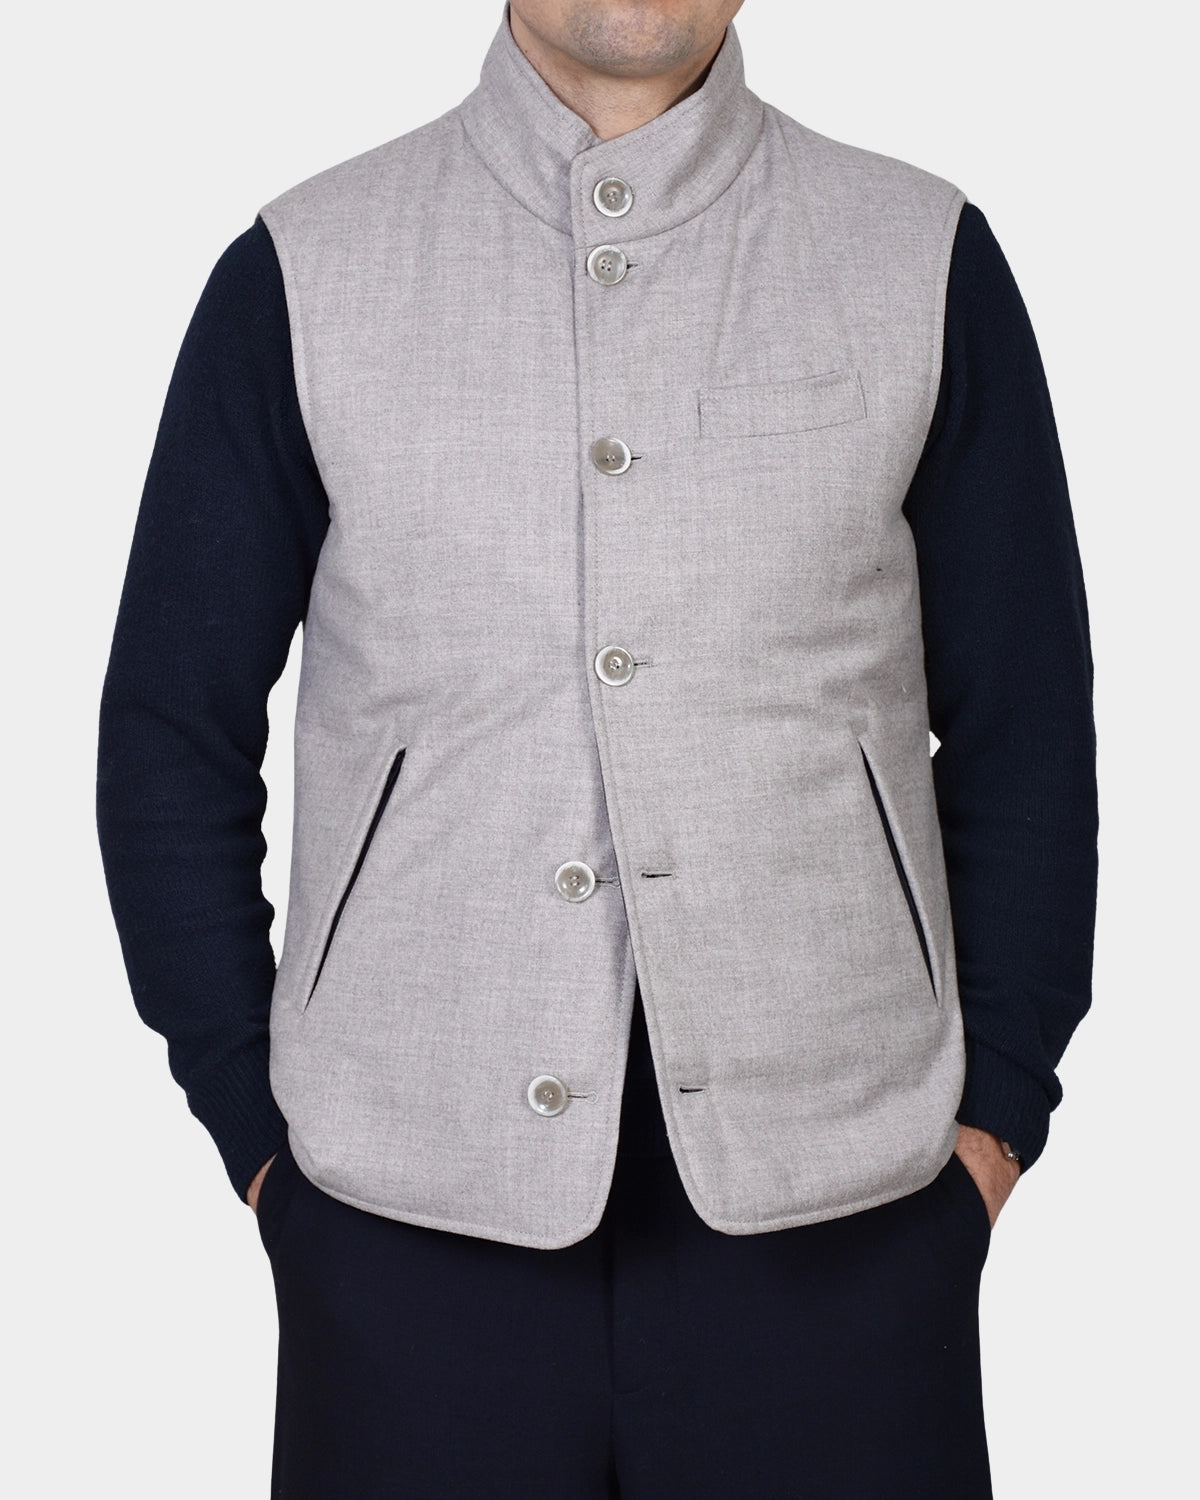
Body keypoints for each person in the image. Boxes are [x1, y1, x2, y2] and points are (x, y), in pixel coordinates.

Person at [96, 1, 1098, 1494]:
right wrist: (253, 1122)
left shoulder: (919, 257)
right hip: (404, 1236)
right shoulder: (306, 270)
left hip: (854, 1231)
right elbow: (168, 734)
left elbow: (1030, 729)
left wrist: (998, 1112)